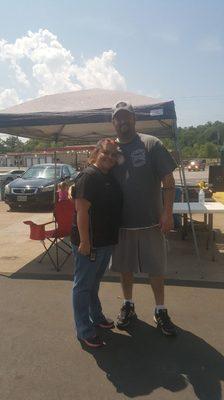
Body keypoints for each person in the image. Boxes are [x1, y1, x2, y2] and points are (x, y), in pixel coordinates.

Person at [111, 101, 177, 336]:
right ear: (113, 122)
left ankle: (160, 309)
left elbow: (169, 183)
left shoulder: (151, 143)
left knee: (156, 269)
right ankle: (128, 305)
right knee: (125, 269)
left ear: (134, 119)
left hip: (152, 222)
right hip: (122, 225)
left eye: (126, 116)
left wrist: (167, 213)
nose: (122, 121)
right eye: (118, 118)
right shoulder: (110, 150)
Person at [71, 139, 123, 348]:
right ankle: (84, 329)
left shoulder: (107, 175)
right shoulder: (89, 176)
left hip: (105, 241)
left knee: (93, 283)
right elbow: (81, 211)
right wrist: (85, 241)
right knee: (83, 286)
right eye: (106, 153)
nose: (109, 157)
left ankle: (97, 317)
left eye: (113, 154)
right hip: (90, 243)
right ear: (96, 153)